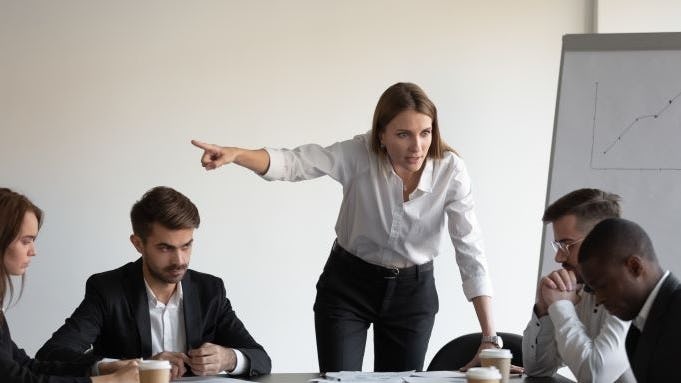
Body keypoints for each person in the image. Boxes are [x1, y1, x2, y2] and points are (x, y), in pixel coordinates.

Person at [191, 82, 500, 372]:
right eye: (403, 134)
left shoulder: (451, 170)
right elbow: (295, 163)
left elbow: (470, 249)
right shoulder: (358, 154)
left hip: (413, 294)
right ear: (381, 134)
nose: (417, 146)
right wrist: (236, 154)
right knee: (339, 381)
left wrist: (488, 338)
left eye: (425, 132)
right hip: (349, 285)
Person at [35, 186, 271, 379]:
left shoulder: (210, 290)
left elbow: (261, 359)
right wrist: (137, 366)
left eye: (186, 245)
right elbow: (51, 355)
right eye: (165, 248)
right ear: (138, 244)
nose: (180, 260)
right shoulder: (108, 290)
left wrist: (229, 358)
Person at [0, 187, 139, 382]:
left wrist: (101, 368)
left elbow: (26, 365)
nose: (33, 251)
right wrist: (108, 381)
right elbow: (13, 379)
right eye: (26, 241)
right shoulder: (106, 288)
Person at [522, 188, 634, 382]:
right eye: (557, 246)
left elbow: (596, 376)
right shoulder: (577, 290)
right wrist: (544, 309)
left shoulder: (633, 296)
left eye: (567, 245)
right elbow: (537, 369)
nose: (558, 257)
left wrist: (562, 308)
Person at [579, 218, 681, 383]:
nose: (598, 299)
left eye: (603, 286)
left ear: (635, 267)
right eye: (593, 289)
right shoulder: (636, 330)